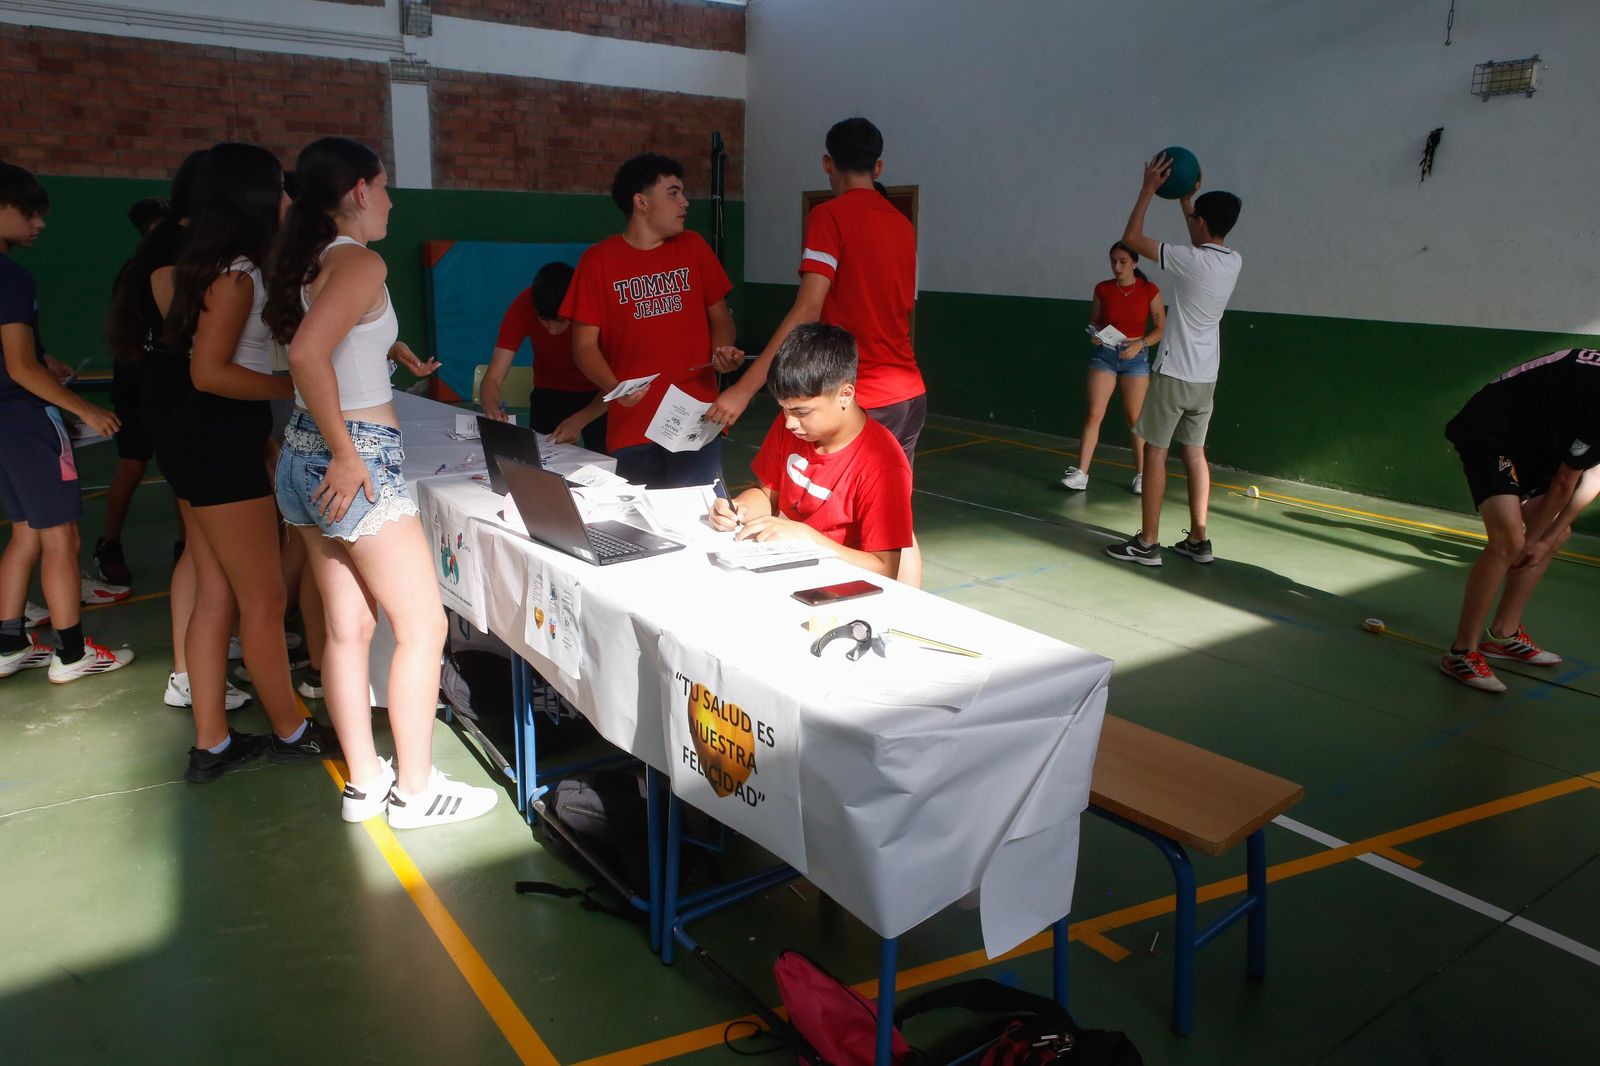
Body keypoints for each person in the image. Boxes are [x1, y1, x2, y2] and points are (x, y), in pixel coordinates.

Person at [266, 136, 496, 828]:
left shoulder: (307, 263)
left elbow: (322, 349)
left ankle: (365, 782)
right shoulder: (359, 261)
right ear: (361, 190)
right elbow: (309, 353)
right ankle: (417, 792)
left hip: (302, 453)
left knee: (345, 627)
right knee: (422, 625)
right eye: (386, 186)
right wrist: (346, 451)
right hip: (351, 453)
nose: (392, 200)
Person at [158, 143, 338, 781]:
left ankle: (212, 744)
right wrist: (294, 387)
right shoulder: (236, 275)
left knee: (216, 596)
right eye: (279, 189)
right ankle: (290, 729)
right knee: (261, 599)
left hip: (197, 442)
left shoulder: (211, 267)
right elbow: (210, 373)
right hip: (215, 444)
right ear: (254, 198)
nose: (289, 199)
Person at [105, 149, 250, 712]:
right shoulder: (173, 248)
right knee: (205, 553)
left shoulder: (174, 245)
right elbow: (185, 332)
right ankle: (194, 669)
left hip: (183, 405)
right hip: (187, 408)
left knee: (198, 548)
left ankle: (194, 665)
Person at [708, 117, 924, 471]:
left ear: (827, 162)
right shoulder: (903, 226)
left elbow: (807, 309)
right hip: (909, 396)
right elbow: (906, 306)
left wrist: (743, 389)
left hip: (854, 398)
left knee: (814, 506)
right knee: (889, 511)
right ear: (878, 166)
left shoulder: (829, 216)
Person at [0, 162, 135, 683]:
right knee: (60, 538)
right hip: (26, 419)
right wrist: (85, 408)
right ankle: (72, 653)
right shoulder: (11, 276)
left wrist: (41, 355)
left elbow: (15, 355)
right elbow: (17, 366)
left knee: (24, 532)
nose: (40, 223)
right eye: (29, 212)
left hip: (2, 423)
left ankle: (9, 641)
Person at [561, 152, 742, 488]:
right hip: (631, 428)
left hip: (696, 421)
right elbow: (584, 347)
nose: (684, 202)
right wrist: (615, 388)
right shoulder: (597, 262)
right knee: (639, 529)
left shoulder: (693, 247)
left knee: (701, 522)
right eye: (673, 193)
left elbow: (720, 318)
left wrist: (722, 351)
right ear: (641, 202)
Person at [1104, 153, 1242, 567]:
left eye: (1195, 218)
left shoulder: (1189, 259)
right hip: (1206, 377)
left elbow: (1131, 237)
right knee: (1195, 454)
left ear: (1202, 223)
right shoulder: (1232, 260)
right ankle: (1199, 540)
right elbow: (1202, 238)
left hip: (1174, 373)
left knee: (1155, 454)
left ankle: (1147, 543)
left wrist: (1148, 189)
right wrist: (1187, 201)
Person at [1437, 349, 1600, 692]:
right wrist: (1533, 541)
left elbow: (1594, 477)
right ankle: (1462, 653)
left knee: (1558, 534)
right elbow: (1564, 484)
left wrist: (1545, 538)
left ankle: (1504, 635)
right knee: (1510, 541)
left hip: (1536, 443)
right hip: (1490, 431)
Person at [709, 323, 913, 580]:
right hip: (787, 569)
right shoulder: (793, 426)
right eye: (783, 409)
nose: (789, 422)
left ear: (845, 395)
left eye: (802, 412)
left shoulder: (883, 464)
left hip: (839, 587)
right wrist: (738, 509)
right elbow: (767, 494)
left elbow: (884, 569)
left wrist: (808, 539)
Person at [1060, 242, 1164, 494]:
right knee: (1094, 413)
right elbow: (1095, 321)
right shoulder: (1103, 289)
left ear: (1134, 263)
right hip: (1104, 356)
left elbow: (1162, 328)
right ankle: (1082, 473)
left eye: (1123, 262)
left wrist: (1140, 344)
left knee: (1135, 419)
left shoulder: (1148, 290)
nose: (1117, 267)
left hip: (1135, 358)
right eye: (1113, 261)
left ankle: (1142, 475)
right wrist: (1095, 335)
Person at [479, 260, 608, 451]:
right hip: (549, 391)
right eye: (543, 320)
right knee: (540, 459)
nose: (552, 331)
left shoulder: (598, 307)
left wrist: (580, 419)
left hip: (600, 393)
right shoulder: (522, 305)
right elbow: (492, 378)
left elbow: (618, 386)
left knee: (606, 461)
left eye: (561, 321)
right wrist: (493, 410)